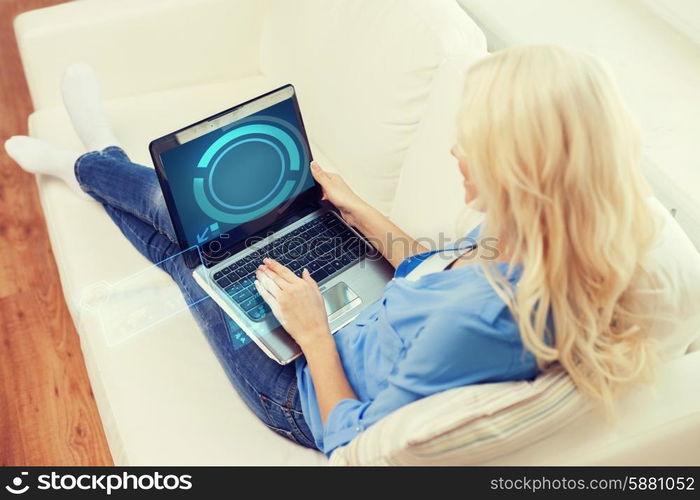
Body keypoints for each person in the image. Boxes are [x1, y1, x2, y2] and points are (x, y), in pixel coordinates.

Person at [5, 45, 660, 456]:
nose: (455, 152)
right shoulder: (537, 242)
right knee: (206, 230)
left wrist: (313, 333)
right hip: (353, 320)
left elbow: (357, 440)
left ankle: (86, 161)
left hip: (302, 387)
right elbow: (429, 274)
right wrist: (355, 206)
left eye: (473, 143)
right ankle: (97, 159)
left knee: (193, 254)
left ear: (520, 169)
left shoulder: (483, 321)